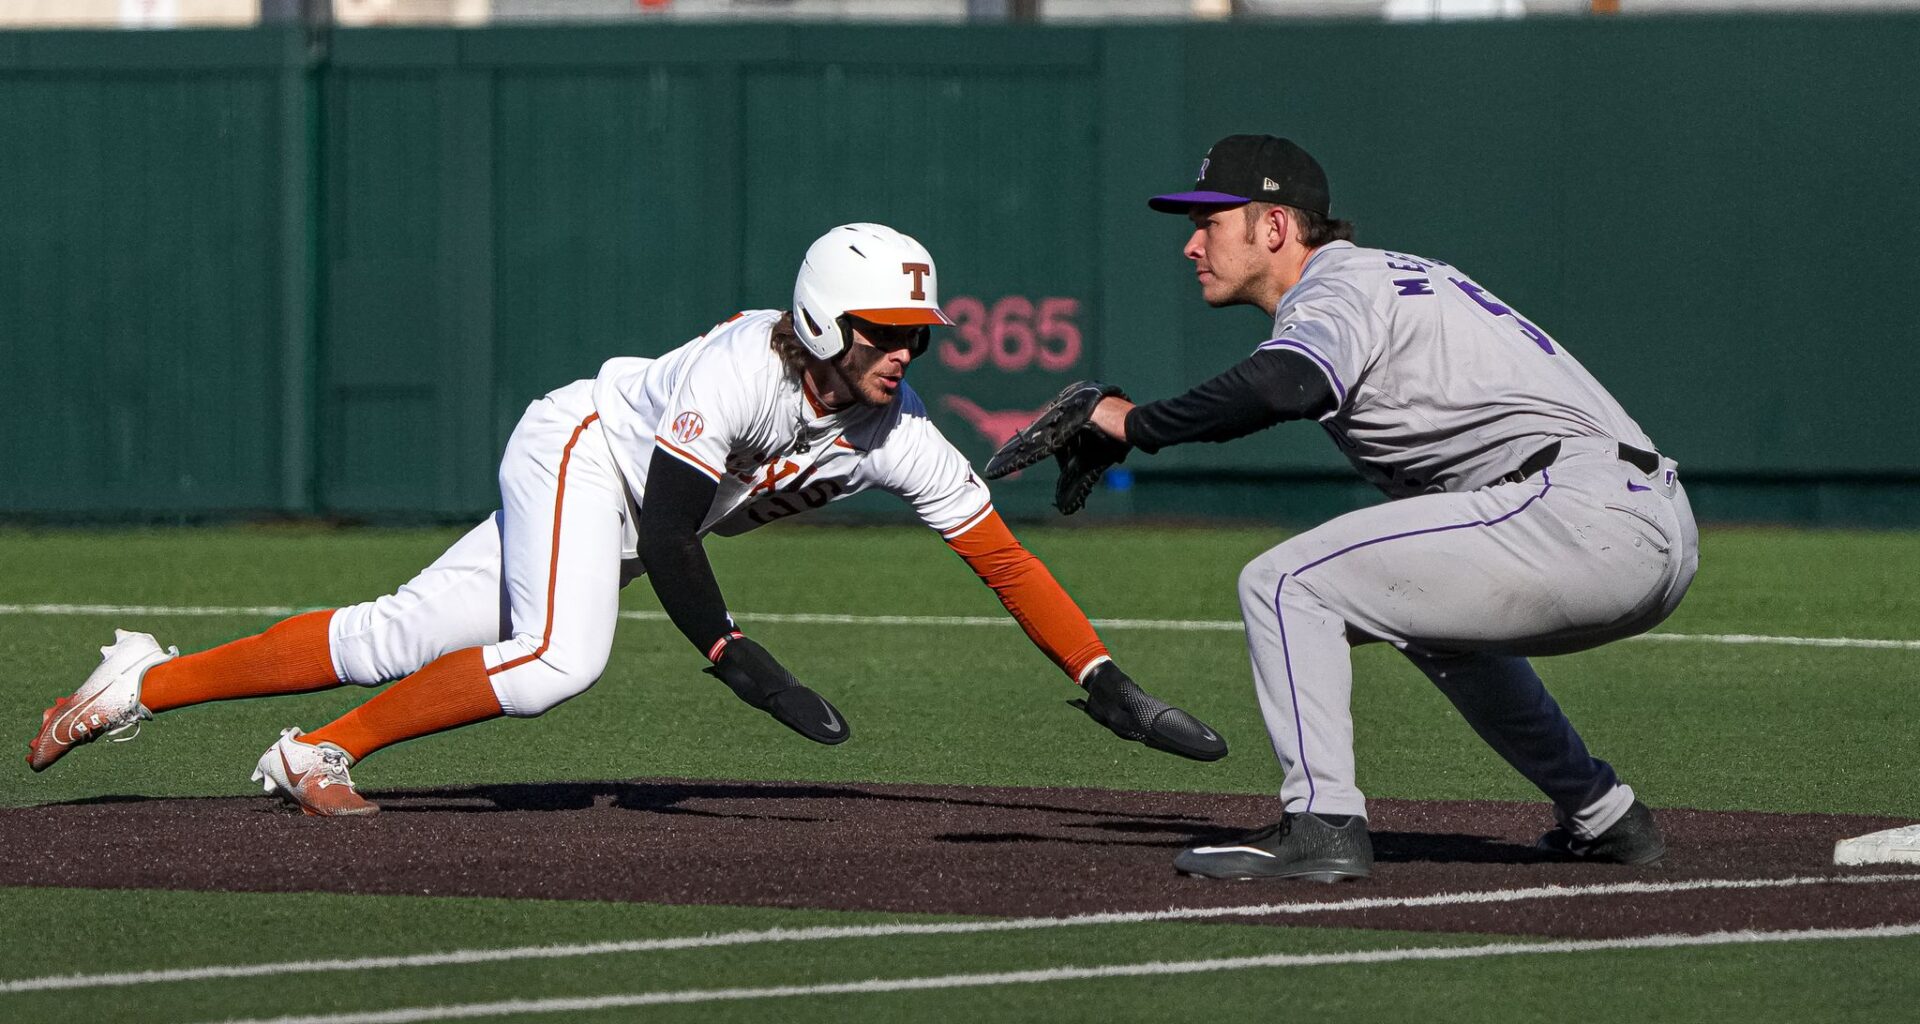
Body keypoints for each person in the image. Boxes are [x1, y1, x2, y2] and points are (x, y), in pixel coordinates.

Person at [27, 223, 1226, 814]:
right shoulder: (731, 372)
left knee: (397, 634)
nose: (905, 354)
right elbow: (666, 535)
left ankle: (140, 682)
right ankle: (316, 753)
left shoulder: (897, 436)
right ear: (821, 326)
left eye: (918, 339)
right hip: (584, 454)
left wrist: (1105, 676)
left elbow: (1003, 561)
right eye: (885, 334)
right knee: (560, 658)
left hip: (637, 504)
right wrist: (737, 660)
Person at [1049, 135, 1697, 881]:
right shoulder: (1392, 276)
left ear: (1275, 227)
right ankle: (1603, 813)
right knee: (1431, 627)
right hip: (1640, 519)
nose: (1192, 246)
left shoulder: (1336, 286)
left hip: (1578, 513)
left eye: (1210, 222)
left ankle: (1321, 822)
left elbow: (1286, 384)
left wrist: (1134, 424)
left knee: (1288, 583)